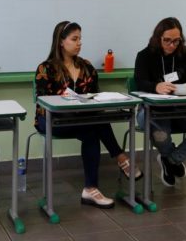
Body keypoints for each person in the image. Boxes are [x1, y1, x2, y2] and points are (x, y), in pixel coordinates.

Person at [35, 21, 141, 209]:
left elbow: (94, 96)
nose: (79, 43)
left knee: (94, 128)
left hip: (80, 118)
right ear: (61, 41)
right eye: (74, 39)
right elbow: (44, 100)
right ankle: (120, 157)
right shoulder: (46, 68)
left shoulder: (86, 66)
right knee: (95, 125)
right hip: (51, 119)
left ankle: (90, 189)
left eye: (80, 39)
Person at [134, 17, 186, 187]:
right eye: (167, 40)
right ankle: (170, 158)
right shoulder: (144, 56)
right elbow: (140, 82)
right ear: (158, 38)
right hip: (153, 112)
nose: (172, 45)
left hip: (181, 110)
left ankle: (170, 160)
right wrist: (156, 86)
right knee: (160, 132)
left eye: (176, 41)